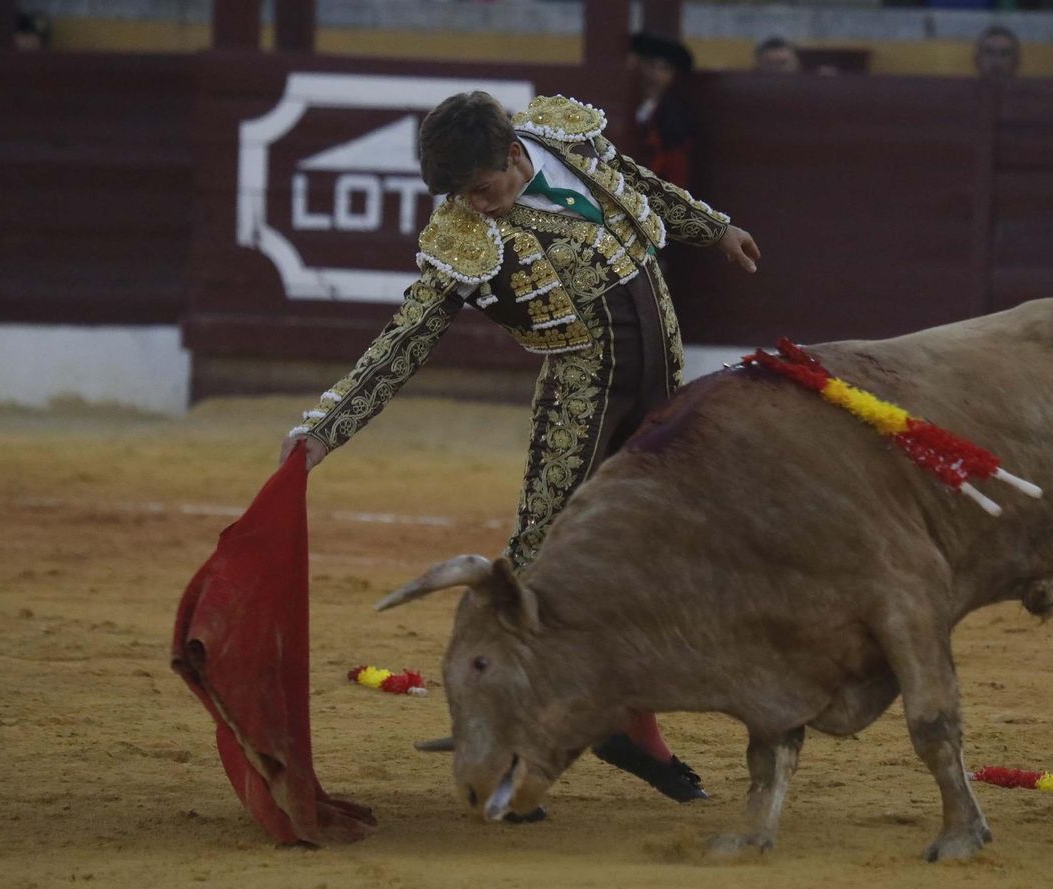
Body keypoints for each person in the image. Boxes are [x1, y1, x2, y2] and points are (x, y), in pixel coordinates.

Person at [278, 92, 761, 804]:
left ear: (512, 155)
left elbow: (640, 183)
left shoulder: (567, 140)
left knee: (649, 554)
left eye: (482, 189)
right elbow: (404, 340)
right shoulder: (463, 237)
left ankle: (631, 728)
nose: (477, 208)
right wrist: (326, 428)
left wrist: (712, 229)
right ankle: (507, 741)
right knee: (538, 567)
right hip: (582, 397)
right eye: (461, 197)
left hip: (661, 382)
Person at [629, 31, 697, 188]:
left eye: (664, 68)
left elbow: (676, 170)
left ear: (673, 75)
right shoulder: (627, 102)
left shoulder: (676, 116)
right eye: (651, 65)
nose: (655, 74)